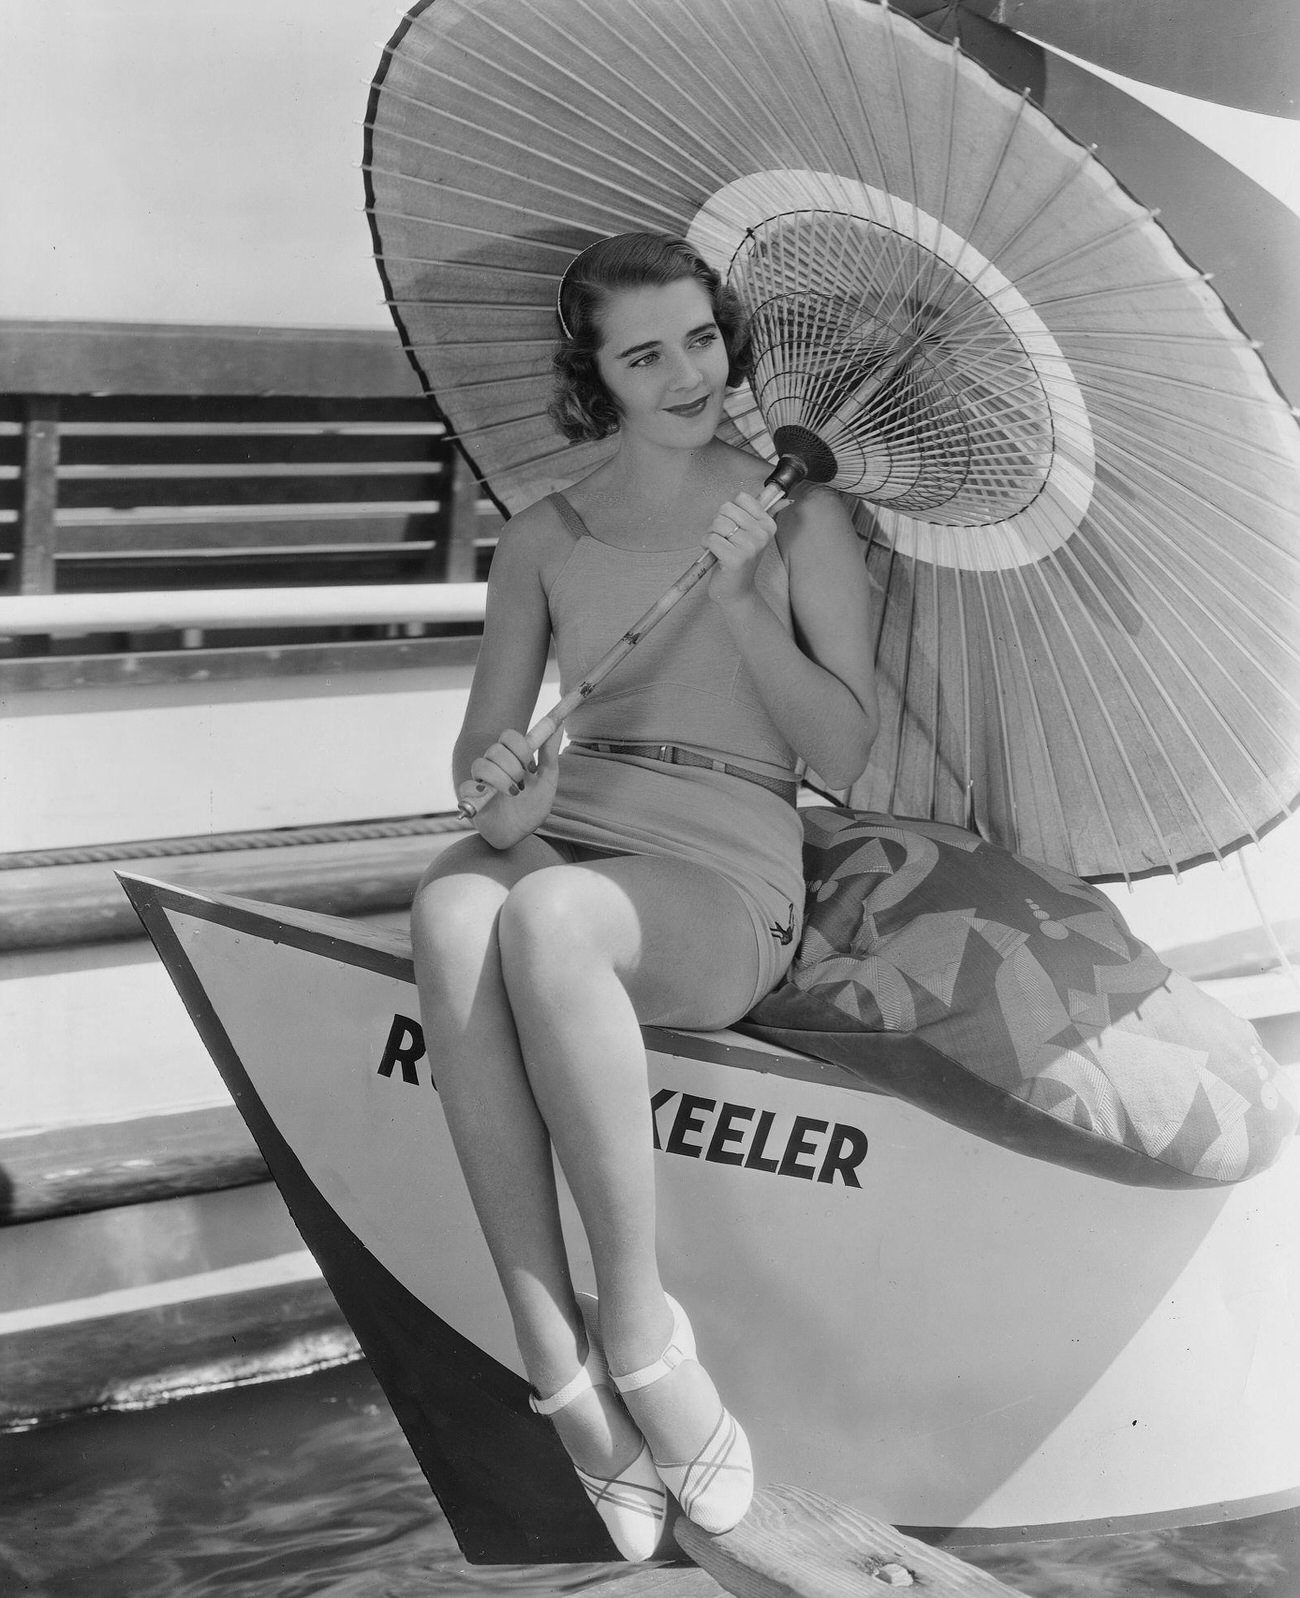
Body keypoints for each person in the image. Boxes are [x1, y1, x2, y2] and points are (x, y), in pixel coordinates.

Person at [410, 232, 878, 1560]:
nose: (686, 374)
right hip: (580, 814)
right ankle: (552, 1352)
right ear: (594, 377)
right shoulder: (543, 536)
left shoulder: (803, 514)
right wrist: (499, 796)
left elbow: (845, 754)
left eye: (702, 339)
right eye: (644, 353)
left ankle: (638, 1323)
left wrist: (739, 598)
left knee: (549, 920)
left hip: (725, 856)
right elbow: (485, 766)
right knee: (454, 906)